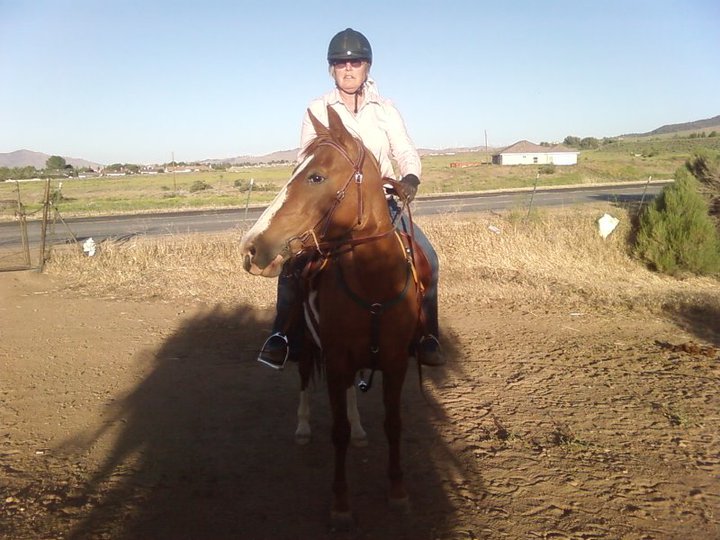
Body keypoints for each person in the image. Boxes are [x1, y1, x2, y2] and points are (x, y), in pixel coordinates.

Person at [257, 27, 443, 369]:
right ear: (331, 69)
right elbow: (307, 159)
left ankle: (427, 334)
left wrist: (411, 178)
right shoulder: (318, 108)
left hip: (381, 203)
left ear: (367, 67)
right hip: (334, 207)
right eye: (340, 63)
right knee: (295, 263)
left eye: (355, 62)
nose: (348, 69)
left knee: (427, 256)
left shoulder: (386, 110)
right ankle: (282, 335)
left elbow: (404, 149)